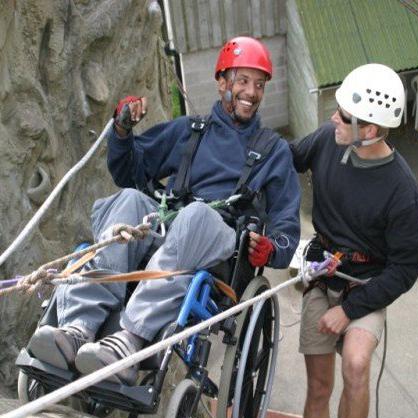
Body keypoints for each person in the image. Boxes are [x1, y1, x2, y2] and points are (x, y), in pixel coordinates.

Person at [29, 36, 301, 385]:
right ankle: (78, 327)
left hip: (220, 245)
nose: (252, 92)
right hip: (170, 227)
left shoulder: (274, 151)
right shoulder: (191, 131)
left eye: (259, 85)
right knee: (128, 199)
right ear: (221, 82)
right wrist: (124, 131)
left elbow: (286, 224)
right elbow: (130, 171)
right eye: (243, 81)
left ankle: (130, 340)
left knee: (196, 216)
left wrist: (273, 249)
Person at [290, 63, 418, 418]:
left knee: (356, 364)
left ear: (368, 131)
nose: (333, 117)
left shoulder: (402, 190)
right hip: (324, 273)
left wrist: (350, 310)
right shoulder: (327, 142)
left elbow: (405, 268)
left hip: (369, 284)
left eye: (344, 116)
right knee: (318, 386)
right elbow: (288, 158)